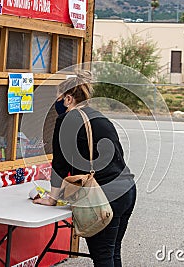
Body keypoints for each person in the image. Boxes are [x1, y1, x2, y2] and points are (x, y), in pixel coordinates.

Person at [34, 70, 136, 267]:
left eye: (59, 99)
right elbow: (117, 154)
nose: (57, 104)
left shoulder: (66, 120)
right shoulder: (99, 117)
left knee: (103, 257)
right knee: (113, 252)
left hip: (103, 195)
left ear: (69, 98)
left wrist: (52, 198)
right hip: (127, 188)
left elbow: (60, 165)